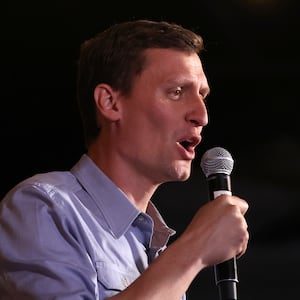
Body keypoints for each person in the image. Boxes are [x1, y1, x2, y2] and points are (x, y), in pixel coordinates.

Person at [0, 19, 249, 299]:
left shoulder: (157, 250)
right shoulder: (43, 207)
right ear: (110, 103)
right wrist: (194, 249)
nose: (202, 116)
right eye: (176, 92)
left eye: (202, 95)